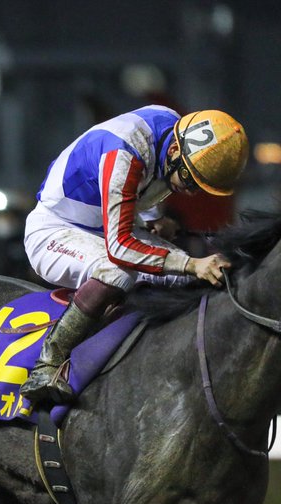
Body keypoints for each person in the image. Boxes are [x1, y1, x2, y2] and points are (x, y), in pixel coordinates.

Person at [20, 107, 248, 405]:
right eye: (191, 182)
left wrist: (153, 217)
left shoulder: (172, 127)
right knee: (117, 271)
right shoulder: (124, 153)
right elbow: (120, 248)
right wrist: (193, 264)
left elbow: (150, 176)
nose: (191, 194)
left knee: (178, 279)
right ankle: (48, 363)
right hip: (54, 230)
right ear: (177, 149)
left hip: (101, 225)